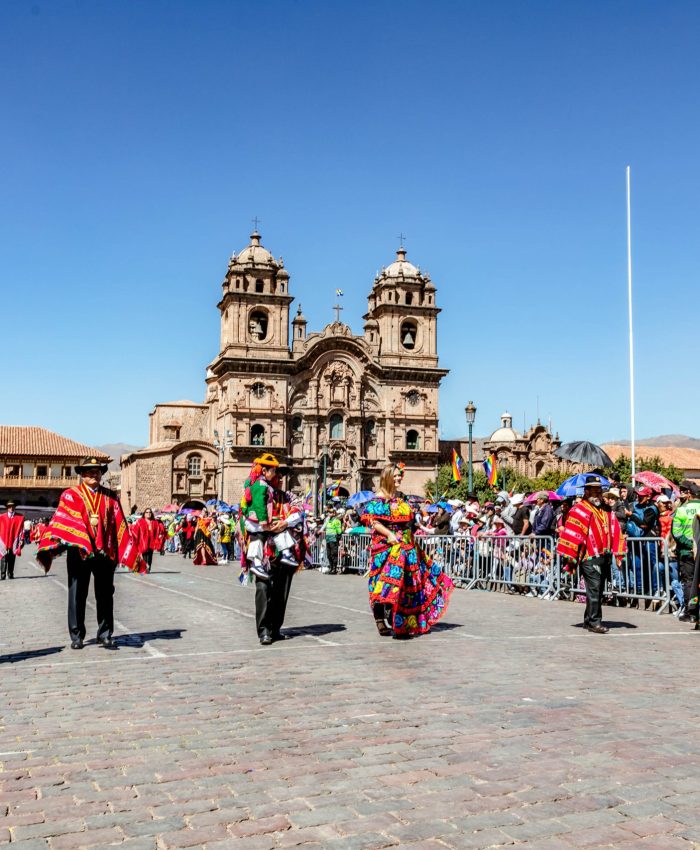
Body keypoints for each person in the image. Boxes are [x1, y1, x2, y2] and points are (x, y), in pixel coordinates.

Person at [37, 456, 144, 649]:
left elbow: (119, 525)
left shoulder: (111, 497)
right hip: (79, 553)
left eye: (97, 471)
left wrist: (122, 551)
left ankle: (105, 633)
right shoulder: (71, 495)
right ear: (82, 475)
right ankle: (77, 635)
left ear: (101, 474)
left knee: (105, 595)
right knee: (77, 594)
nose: (93, 474)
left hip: (104, 554)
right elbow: (64, 522)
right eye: (88, 471)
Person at [361, 463, 454, 639]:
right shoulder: (377, 500)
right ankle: (380, 617)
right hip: (384, 547)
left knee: (407, 583)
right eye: (395, 475)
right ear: (387, 476)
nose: (398, 478)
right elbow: (374, 522)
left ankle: (403, 621)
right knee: (382, 583)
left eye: (399, 476)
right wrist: (389, 534)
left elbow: (408, 522)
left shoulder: (401, 499)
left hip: (405, 545)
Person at [239, 453, 302, 644]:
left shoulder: (287, 497)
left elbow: (300, 513)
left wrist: (284, 523)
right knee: (263, 589)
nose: (280, 480)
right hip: (264, 553)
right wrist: (264, 526)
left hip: (283, 553)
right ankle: (264, 630)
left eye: (282, 477)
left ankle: (276, 628)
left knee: (281, 592)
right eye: (277, 476)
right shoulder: (258, 492)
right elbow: (243, 518)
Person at [557, 475, 625, 633]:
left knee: (599, 589)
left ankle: (588, 619)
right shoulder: (579, 510)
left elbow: (615, 529)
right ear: (586, 492)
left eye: (598, 490)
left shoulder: (606, 509)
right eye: (593, 491)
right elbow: (573, 533)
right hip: (589, 556)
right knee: (594, 588)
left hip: (604, 556)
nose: (597, 494)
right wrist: (572, 557)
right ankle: (595, 622)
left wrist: (618, 552)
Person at [0, 500, 25, 580]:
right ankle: (2, 574)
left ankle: (10, 573)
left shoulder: (20, 517)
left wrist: (21, 539)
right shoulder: (1, 517)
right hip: (3, 540)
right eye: (9, 506)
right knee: (4, 556)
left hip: (14, 540)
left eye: (12, 506)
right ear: (7, 507)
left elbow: (22, 529)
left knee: (12, 557)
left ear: (15, 507)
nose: (11, 508)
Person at [132, 508, 159, 572]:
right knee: (144, 554)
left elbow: (157, 532)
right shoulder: (140, 521)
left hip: (151, 541)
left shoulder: (154, 522)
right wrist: (135, 540)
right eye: (147, 512)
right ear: (144, 514)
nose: (148, 513)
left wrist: (157, 540)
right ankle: (145, 567)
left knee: (150, 555)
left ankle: (148, 567)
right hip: (143, 541)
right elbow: (135, 531)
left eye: (150, 512)